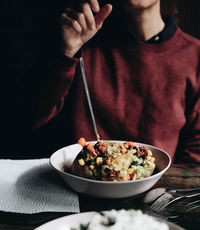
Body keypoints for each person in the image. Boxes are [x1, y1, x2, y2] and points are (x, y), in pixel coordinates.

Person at [6, 0, 200, 162]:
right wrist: (66, 52)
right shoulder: (79, 39)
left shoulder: (194, 55)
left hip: (156, 195)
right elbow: (27, 120)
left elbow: (196, 155)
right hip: (77, 190)